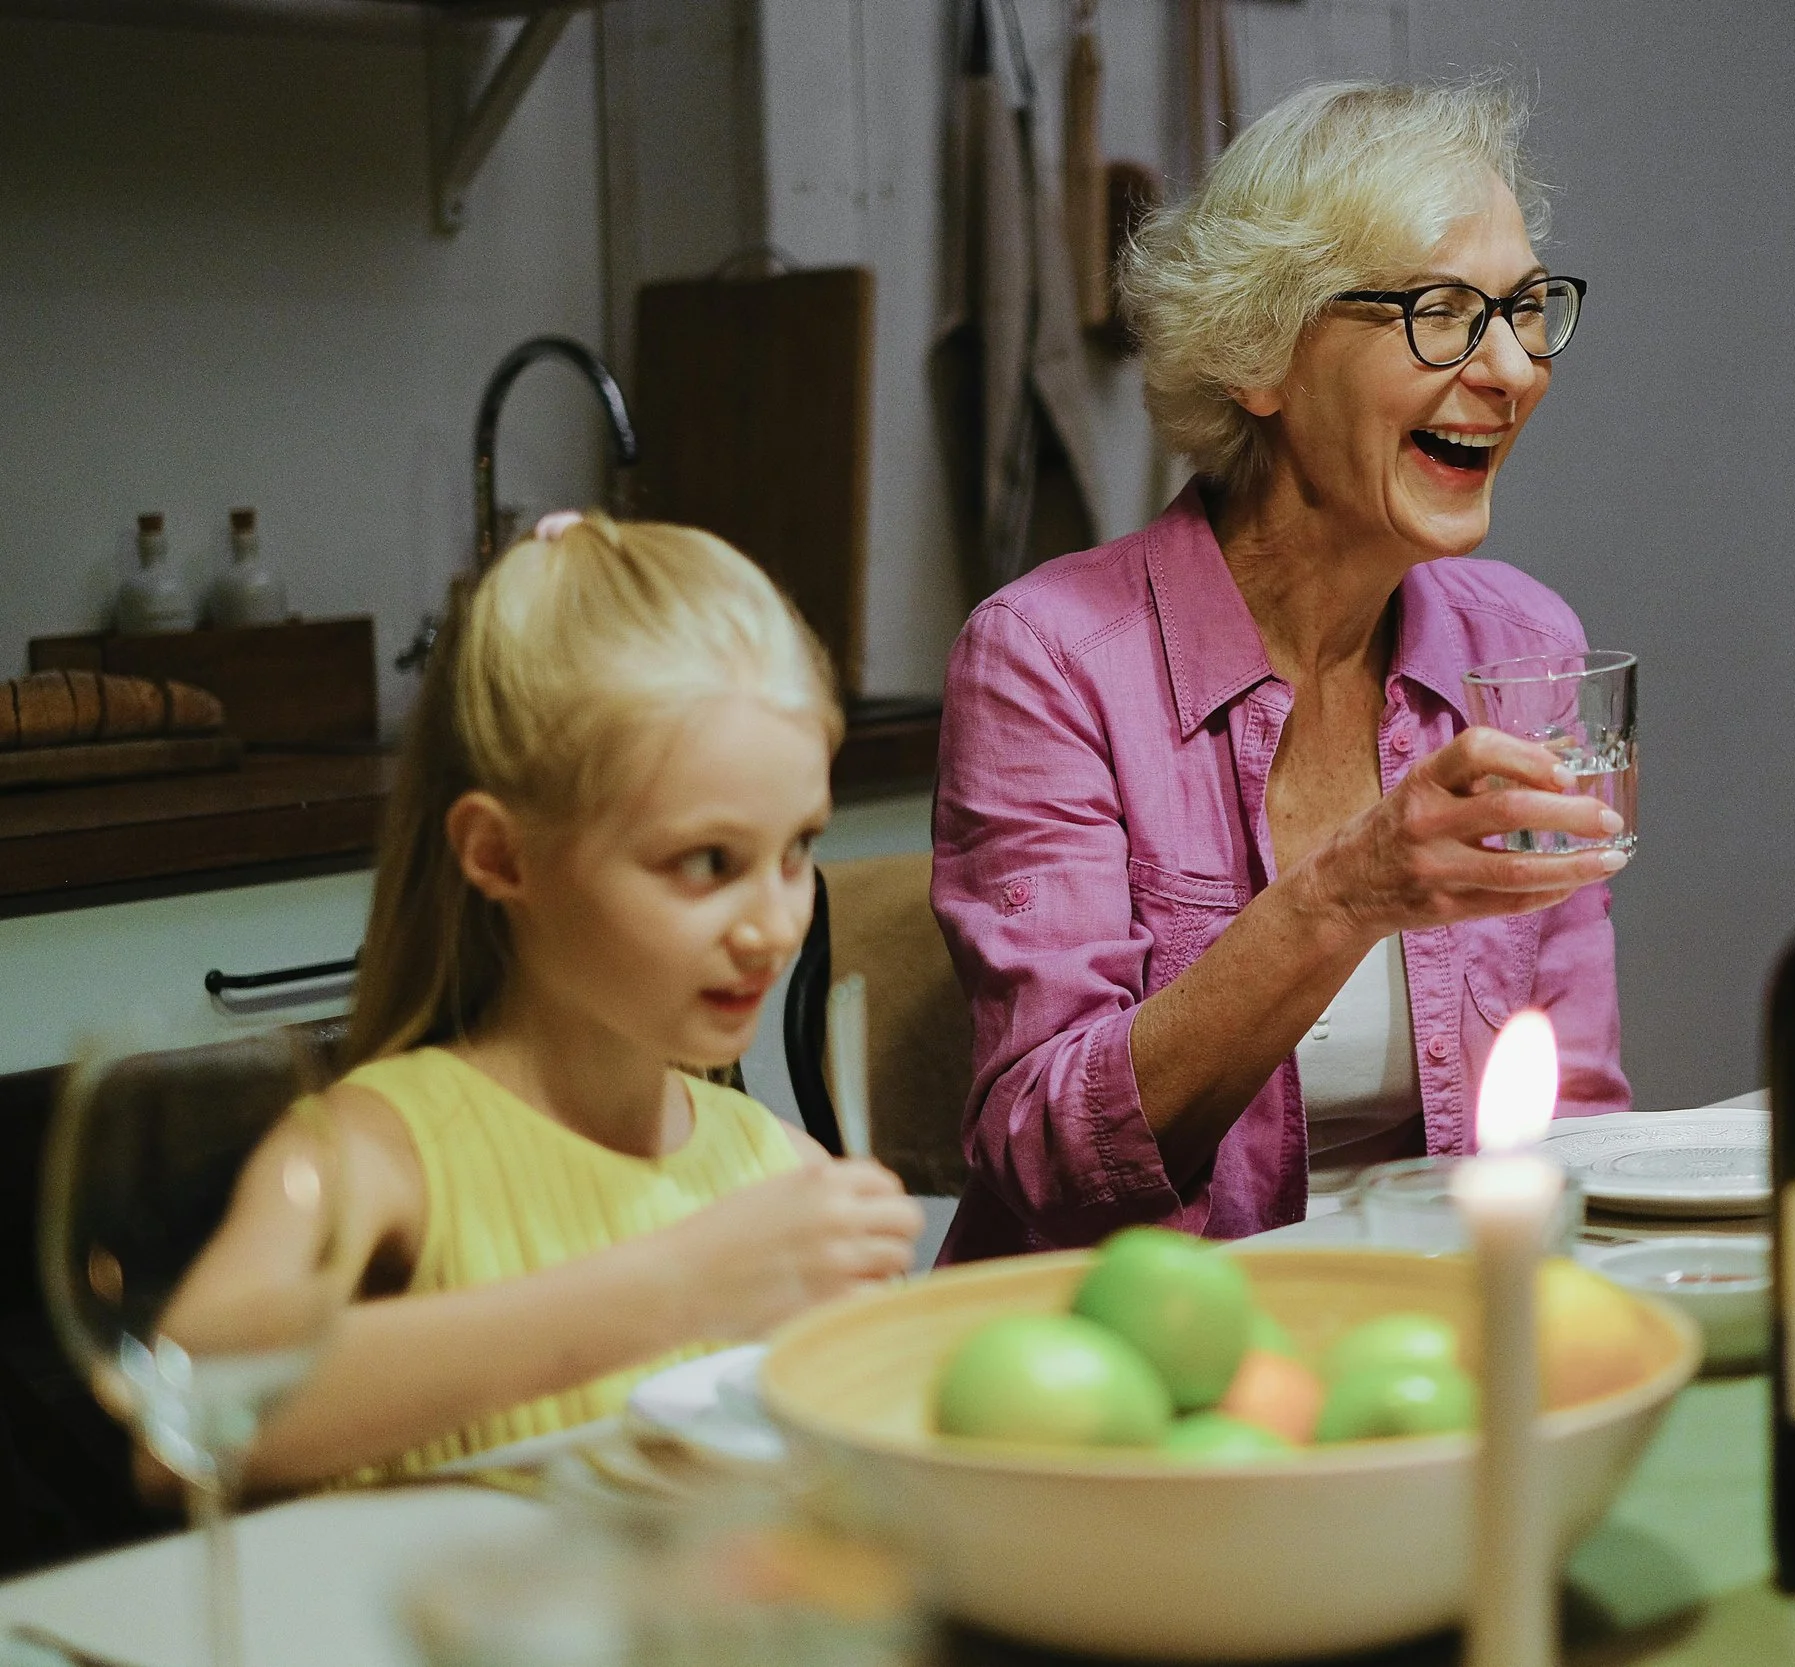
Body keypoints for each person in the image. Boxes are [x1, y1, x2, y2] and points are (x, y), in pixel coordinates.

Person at [931, 79, 1630, 1261]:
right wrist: (1345, 894)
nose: (1511, 369)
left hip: (1432, 1329)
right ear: (1259, 356)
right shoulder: (1047, 659)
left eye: (1523, 307)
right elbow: (1042, 1151)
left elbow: (1572, 1112)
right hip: (1137, 1359)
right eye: (1443, 311)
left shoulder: (1523, 646)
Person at [170, 513, 922, 1487]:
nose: (774, 924)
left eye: (796, 850)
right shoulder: (375, 1148)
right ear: (500, 853)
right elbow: (190, 1410)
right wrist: (677, 1283)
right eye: (707, 861)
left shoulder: (775, 1165)